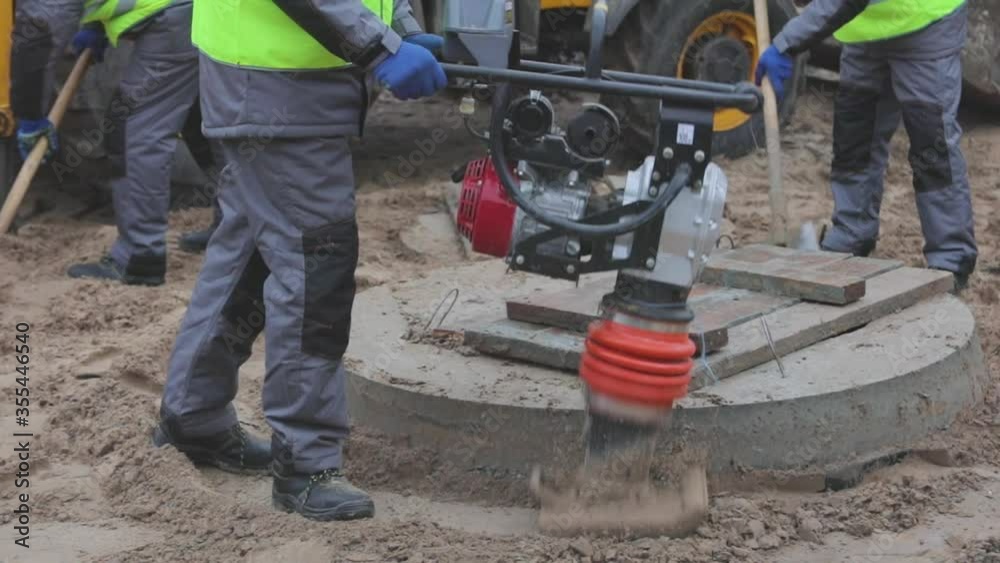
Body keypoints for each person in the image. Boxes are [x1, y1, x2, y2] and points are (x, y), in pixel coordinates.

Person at [154, 0, 446, 521]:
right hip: (278, 89)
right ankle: (306, 464)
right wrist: (380, 46)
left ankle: (193, 414)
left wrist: (401, 27)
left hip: (277, 87)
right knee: (316, 270)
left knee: (251, 253)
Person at [756, 0, 978, 290]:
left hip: (926, 21)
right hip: (865, 27)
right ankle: (852, 233)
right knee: (855, 137)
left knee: (931, 145)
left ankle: (950, 258)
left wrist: (786, 42)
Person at [17, 0, 201, 286]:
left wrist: (30, 117)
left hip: (177, 15)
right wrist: (94, 23)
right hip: (206, 13)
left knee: (132, 128)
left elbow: (38, 37)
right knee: (201, 116)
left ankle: (139, 256)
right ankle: (235, 227)